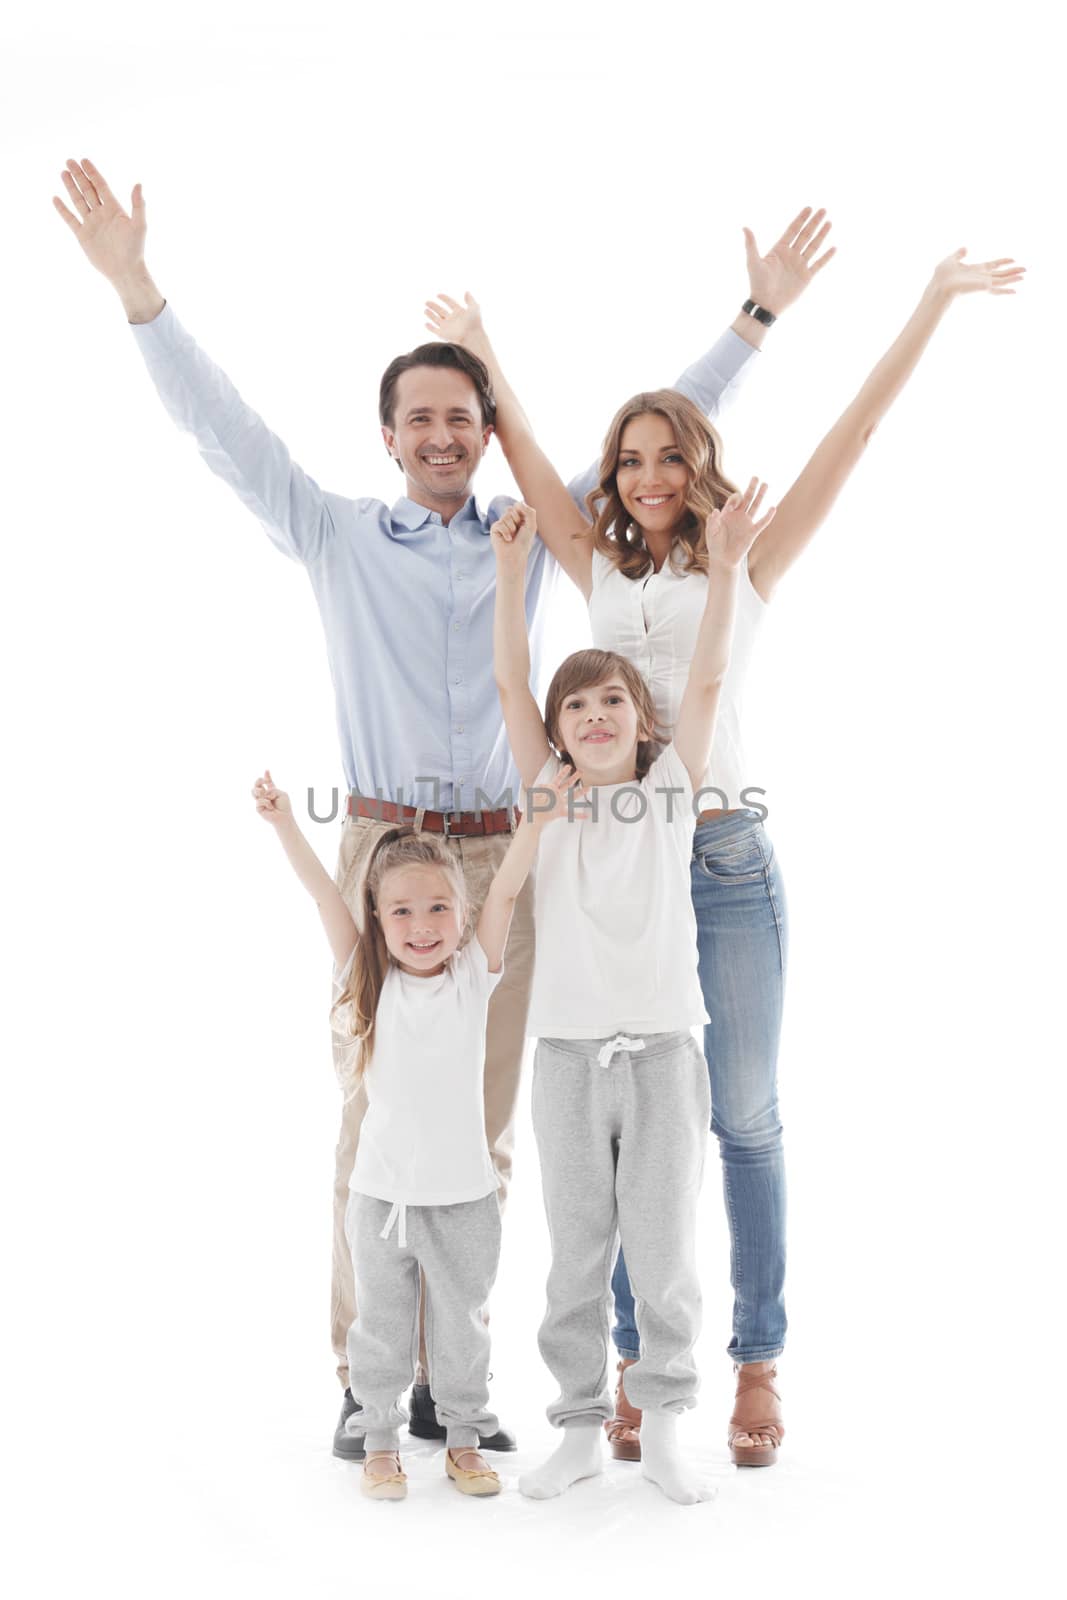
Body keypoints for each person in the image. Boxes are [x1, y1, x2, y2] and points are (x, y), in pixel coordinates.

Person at [52, 156, 797, 1455]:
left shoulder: (520, 539)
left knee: (486, 1123)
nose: (447, 437)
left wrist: (750, 322)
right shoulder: (335, 534)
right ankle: (364, 1379)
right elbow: (221, 428)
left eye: (467, 417)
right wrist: (135, 286)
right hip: (384, 847)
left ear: (486, 427)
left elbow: (653, 437)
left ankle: (458, 1382)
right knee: (373, 1113)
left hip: (509, 859)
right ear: (389, 438)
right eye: (423, 422)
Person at [428, 238, 1025, 1467]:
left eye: (667, 455)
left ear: (699, 466)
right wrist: (486, 354)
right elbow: (539, 469)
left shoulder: (747, 561)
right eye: (630, 458)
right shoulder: (594, 564)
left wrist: (927, 305)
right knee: (622, 1119)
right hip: (607, 869)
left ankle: (755, 1359)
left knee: (741, 1118)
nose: (645, 475)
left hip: (720, 855)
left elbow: (847, 441)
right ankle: (646, 1369)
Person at [492, 486, 773, 1504]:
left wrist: (731, 562)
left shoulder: (665, 792)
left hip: (661, 1054)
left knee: (662, 1254)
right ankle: (574, 1424)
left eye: (611, 700)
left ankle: (659, 1424)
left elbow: (706, 679)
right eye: (577, 706)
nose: (594, 715)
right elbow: (508, 681)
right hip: (566, 1057)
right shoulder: (548, 799)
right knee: (576, 1256)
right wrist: (507, 573)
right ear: (559, 732)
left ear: (635, 718)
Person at [250, 764, 577, 1497]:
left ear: (460, 918)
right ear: (378, 919)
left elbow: (507, 890)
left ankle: (463, 1438)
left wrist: (537, 819)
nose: (421, 926)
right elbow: (325, 896)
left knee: (462, 1329)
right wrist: (285, 826)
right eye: (400, 912)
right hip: (382, 1200)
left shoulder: (472, 976)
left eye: (437, 909)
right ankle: (378, 1441)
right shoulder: (366, 978)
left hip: (464, 1198)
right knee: (381, 1329)